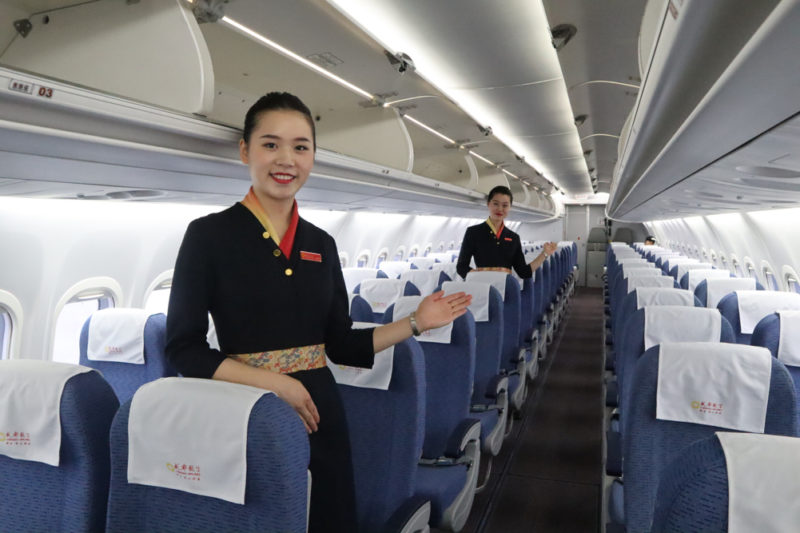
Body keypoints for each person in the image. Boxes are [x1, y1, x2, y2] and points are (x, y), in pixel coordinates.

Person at [165, 92, 471, 532]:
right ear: (245, 151)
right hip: (244, 410)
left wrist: (417, 321)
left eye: (300, 147)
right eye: (270, 144)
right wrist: (275, 383)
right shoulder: (208, 236)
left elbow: (341, 343)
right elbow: (182, 349)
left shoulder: (321, 243)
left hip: (318, 412)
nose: (286, 159)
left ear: (312, 157)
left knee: (327, 517)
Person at [456, 185, 557, 280]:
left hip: (507, 289)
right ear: (488, 204)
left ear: (510, 207)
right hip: (482, 287)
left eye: (505, 205)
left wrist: (545, 254)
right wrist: (480, 278)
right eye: (495, 204)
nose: (500, 209)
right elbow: (461, 267)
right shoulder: (473, 232)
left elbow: (524, 272)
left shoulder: (513, 238)